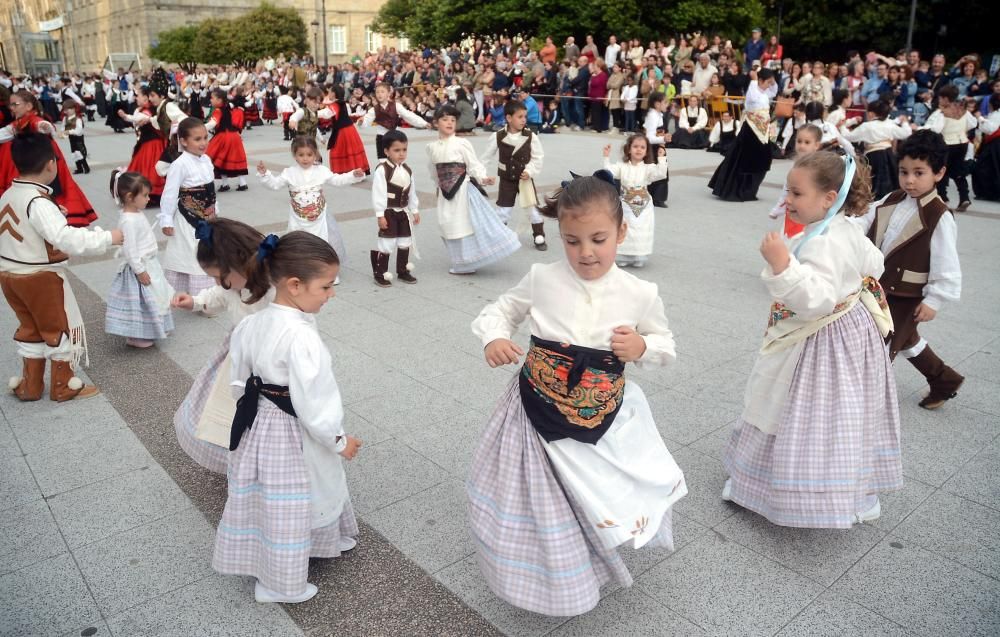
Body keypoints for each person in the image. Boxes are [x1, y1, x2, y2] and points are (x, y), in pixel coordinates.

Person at [468, 174, 687, 616]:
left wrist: (643, 347)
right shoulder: (542, 277)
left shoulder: (640, 293)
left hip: (600, 415)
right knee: (535, 491)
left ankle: (592, 550)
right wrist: (493, 337)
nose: (585, 252)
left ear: (622, 233)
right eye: (572, 241)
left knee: (592, 489)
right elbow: (501, 310)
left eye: (598, 239)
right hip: (533, 407)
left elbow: (666, 343)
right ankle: (541, 566)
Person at [723, 151, 900, 528]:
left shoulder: (825, 241)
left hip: (822, 340)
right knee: (841, 418)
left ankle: (768, 488)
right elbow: (876, 264)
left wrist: (782, 265)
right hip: (853, 332)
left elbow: (816, 302)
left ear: (828, 197)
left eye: (797, 193)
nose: (788, 199)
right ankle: (856, 494)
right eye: (788, 191)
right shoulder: (844, 228)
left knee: (788, 408)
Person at [213, 231, 362, 605]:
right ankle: (281, 583)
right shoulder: (301, 338)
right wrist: (339, 441)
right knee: (303, 490)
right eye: (326, 287)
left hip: (260, 421)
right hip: (294, 428)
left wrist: (255, 413)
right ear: (295, 285)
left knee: (274, 496)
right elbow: (317, 404)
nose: (332, 295)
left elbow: (238, 380)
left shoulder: (251, 323)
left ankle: (298, 551)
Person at [0, 134, 123, 402]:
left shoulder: (9, 194)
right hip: (39, 277)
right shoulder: (38, 201)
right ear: (50, 165)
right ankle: (63, 385)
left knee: (30, 328)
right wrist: (107, 238)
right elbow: (66, 238)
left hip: (9, 276)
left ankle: (31, 386)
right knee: (59, 328)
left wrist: (55, 214)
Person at [854, 131, 963, 409]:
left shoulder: (939, 215)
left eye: (919, 173)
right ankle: (944, 379)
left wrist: (934, 300)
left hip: (906, 294)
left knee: (881, 344)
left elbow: (946, 264)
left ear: (939, 173)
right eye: (904, 172)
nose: (910, 180)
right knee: (905, 340)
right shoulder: (892, 198)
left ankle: (862, 400)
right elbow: (865, 219)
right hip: (878, 286)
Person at [171, 218, 272, 475]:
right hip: (238, 359)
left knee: (267, 415)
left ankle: (270, 457)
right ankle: (240, 455)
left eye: (218, 276)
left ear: (241, 264)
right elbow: (218, 295)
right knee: (229, 409)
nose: (218, 283)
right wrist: (194, 301)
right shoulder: (233, 285)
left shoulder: (274, 287)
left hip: (270, 360)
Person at [257, 136, 365, 285]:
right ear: (294, 155)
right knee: (299, 244)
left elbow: (337, 180)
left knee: (322, 243)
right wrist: (265, 174)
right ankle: (301, 272)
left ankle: (327, 273)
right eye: (301, 155)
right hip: (298, 217)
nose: (305, 159)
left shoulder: (321, 171)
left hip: (319, 217)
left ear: (315, 154)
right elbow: (274, 184)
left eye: (309, 154)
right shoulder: (289, 172)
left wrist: (353, 175)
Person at [426, 104, 520, 275]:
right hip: (445, 192)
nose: (449, 123)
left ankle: (468, 261)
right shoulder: (432, 147)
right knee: (447, 223)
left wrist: (483, 178)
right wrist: (437, 186)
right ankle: (459, 261)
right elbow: (433, 170)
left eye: (453, 120)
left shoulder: (461, 143)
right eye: (445, 119)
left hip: (462, 190)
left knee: (463, 222)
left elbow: (473, 164)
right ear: (436, 123)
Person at [0, 90, 97, 227]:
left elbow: (42, 125)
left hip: (43, 162)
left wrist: (45, 126)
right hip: (31, 161)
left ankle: (53, 216)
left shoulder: (33, 119)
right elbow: (4, 133)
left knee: (50, 187)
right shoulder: (18, 123)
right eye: (11, 105)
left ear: (28, 106)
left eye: (15, 104)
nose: (12, 108)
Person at [105, 172, 174, 348]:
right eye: (144, 195)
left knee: (157, 294)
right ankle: (138, 335)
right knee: (143, 300)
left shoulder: (136, 213)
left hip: (149, 262)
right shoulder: (128, 220)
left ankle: (155, 327)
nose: (148, 198)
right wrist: (139, 270)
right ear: (129, 197)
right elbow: (130, 248)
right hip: (141, 265)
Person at [159, 117, 219, 295]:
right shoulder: (179, 164)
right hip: (188, 219)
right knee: (191, 255)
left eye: (205, 138)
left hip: (208, 218)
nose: (203, 143)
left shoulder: (207, 160)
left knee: (207, 253)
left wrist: (216, 210)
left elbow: (211, 189)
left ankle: (208, 297)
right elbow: (169, 193)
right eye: (197, 139)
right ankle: (196, 296)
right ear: (183, 141)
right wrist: (166, 219)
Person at [479, 100, 547, 250]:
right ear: (509, 118)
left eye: (525, 116)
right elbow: (485, 158)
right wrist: (481, 175)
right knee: (504, 209)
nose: (524, 120)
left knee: (532, 207)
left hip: (525, 180)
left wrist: (529, 171)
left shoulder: (531, 136)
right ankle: (498, 235)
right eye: (520, 116)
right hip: (506, 179)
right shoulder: (498, 136)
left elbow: (538, 157)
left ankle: (539, 234)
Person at [709, 68, 777, 201]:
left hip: (762, 130)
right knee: (744, 159)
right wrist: (754, 78)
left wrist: (772, 81)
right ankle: (737, 189)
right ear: (760, 80)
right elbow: (753, 96)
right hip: (751, 129)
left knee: (763, 158)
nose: (769, 85)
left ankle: (750, 190)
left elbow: (774, 90)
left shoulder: (765, 92)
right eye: (767, 82)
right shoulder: (753, 90)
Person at [602, 135, 669, 267]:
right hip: (626, 202)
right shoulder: (622, 166)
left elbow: (661, 174)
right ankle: (624, 255)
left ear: (646, 151)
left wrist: (661, 157)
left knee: (640, 229)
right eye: (635, 147)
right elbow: (609, 171)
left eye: (642, 147)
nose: (639, 150)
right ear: (629, 149)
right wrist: (606, 157)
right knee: (626, 228)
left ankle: (639, 255)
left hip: (644, 203)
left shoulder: (648, 168)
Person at [369, 130, 420, 287]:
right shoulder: (382, 170)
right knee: (387, 242)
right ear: (386, 151)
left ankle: (402, 270)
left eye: (404, 149)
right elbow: (378, 193)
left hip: (403, 212)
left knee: (405, 240)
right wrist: (380, 214)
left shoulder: (408, 170)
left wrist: (415, 210)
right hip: (388, 212)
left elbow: (411, 192)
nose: (401, 154)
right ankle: (380, 272)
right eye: (396, 150)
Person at [920, 85, 976, 211]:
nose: (939, 100)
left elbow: (936, 128)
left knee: (942, 171)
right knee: (959, 171)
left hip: (947, 143)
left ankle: (943, 198)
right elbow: (973, 123)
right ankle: (964, 197)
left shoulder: (942, 112)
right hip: (962, 142)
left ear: (945, 98)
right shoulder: (962, 110)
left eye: (940, 97)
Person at [843, 100, 913, 199]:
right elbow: (906, 133)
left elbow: (848, 136)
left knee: (874, 184)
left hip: (874, 156)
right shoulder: (889, 124)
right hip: (888, 155)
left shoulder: (867, 126)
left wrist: (843, 125)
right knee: (891, 181)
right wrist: (905, 122)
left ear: (871, 113)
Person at [768, 124, 823, 238]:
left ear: (816, 145)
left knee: (805, 237)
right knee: (790, 236)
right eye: (799, 141)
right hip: (793, 207)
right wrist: (779, 207)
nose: (802, 146)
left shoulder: (819, 166)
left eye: (807, 142)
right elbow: (787, 188)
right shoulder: (795, 164)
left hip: (810, 210)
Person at [361, 83, 430, 159]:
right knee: (383, 162)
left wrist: (424, 123)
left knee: (396, 160)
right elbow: (366, 121)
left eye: (382, 92)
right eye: (377, 92)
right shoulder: (374, 109)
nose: (379, 94)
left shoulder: (396, 106)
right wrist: (361, 122)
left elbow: (409, 116)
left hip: (395, 136)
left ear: (388, 93)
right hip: (381, 138)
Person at [205, 89, 249, 192]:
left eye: (212, 98)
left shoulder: (218, 110)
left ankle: (225, 184)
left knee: (214, 158)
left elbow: (213, 123)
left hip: (224, 137)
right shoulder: (228, 107)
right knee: (233, 158)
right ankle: (242, 183)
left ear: (220, 100)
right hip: (234, 136)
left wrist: (198, 128)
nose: (210, 100)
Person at [643, 92, 671, 206]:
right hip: (652, 148)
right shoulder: (652, 116)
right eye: (665, 102)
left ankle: (656, 196)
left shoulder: (658, 114)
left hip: (658, 145)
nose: (667, 105)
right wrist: (663, 139)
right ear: (657, 104)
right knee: (657, 170)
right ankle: (656, 197)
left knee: (661, 169)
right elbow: (649, 137)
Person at [972, 94, 1000, 200]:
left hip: (995, 143)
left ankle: (987, 192)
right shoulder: (994, 114)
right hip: (993, 143)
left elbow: (990, 128)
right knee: (991, 167)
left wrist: (980, 117)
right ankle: (990, 192)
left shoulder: (997, 114)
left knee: (984, 166)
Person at [60, 100, 89, 175]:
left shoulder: (78, 119)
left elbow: (79, 130)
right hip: (71, 138)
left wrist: (70, 132)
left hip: (78, 139)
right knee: (74, 153)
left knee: (81, 153)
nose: (66, 112)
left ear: (73, 109)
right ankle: (79, 168)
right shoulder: (65, 119)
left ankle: (86, 167)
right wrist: (63, 133)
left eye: (68, 109)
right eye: (65, 110)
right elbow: (63, 127)